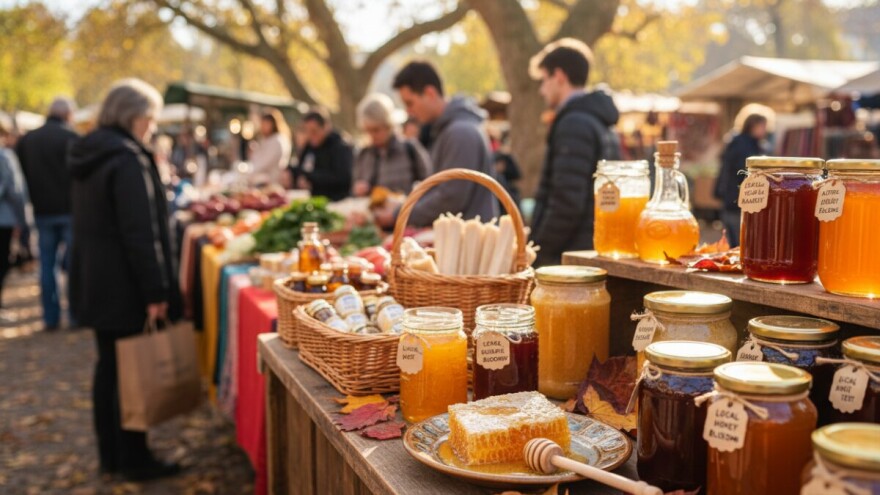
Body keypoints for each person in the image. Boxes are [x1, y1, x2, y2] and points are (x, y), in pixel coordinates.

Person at [68, 79, 183, 481]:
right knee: (130, 372)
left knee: (109, 370)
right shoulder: (127, 158)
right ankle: (134, 457)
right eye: (150, 117)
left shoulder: (92, 152)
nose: (152, 126)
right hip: (125, 284)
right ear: (134, 115)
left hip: (98, 280)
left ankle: (112, 455)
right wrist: (155, 291)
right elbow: (141, 232)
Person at [528, 39, 621, 267]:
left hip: (570, 256)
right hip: (591, 248)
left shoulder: (574, 124)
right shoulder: (599, 121)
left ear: (559, 76)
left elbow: (566, 201)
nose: (541, 90)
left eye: (544, 80)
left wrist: (538, 251)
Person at [390, 61, 498, 227]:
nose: (408, 111)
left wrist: (401, 213)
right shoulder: (448, 130)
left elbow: (451, 197)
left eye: (410, 103)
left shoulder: (460, 132)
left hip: (470, 245)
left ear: (430, 93)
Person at [15, 97, 79, 330]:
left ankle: (50, 317)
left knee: (47, 266)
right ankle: (74, 315)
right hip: (68, 210)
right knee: (72, 265)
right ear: (67, 115)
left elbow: (22, 175)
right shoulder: (70, 137)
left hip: (42, 210)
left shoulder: (29, 140)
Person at [353, 93, 431, 197]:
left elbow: (429, 184)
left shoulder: (410, 149)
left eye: (376, 130)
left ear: (388, 125)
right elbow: (355, 189)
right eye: (367, 131)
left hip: (407, 210)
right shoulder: (364, 155)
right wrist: (359, 190)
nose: (372, 136)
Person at [714, 114, 768, 247]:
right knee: (741, 242)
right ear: (753, 126)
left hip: (732, 199)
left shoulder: (738, 142)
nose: (765, 130)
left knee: (737, 242)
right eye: (762, 126)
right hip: (738, 200)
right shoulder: (744, 145)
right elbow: (743, 173)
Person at [294, 108, 353, 201]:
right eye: (307, 131)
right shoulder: (309, 146)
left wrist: (311, 177)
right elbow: (301, 168)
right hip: (313, 200)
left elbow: (342, 179)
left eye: (314, 131)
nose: (311, 136)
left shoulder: (340, 146)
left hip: (337, 201)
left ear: (325, 127)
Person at [0, 145, 26, 321]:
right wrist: (22, 220)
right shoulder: (4, 156)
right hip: (4, 219)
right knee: (2, 263)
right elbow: (15, 190)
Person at [249, 109, 292, 187]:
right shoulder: (266, 140)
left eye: (266, 124)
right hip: (263, 180)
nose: (263, 127)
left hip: (272, 182)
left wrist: (248, 173)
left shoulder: (277, 141)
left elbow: (264, 163)